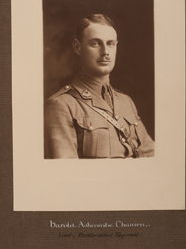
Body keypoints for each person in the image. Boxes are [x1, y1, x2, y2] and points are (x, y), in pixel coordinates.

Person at [44, 14, 154, 159]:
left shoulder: (126, 102)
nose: (105, 52)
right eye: (95, 43)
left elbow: (151, 155)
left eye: (110, 44)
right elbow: (67, 173)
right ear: (77, 47)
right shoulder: (61, 105)